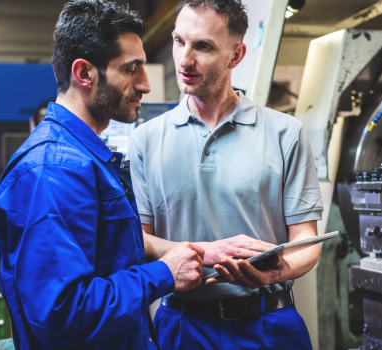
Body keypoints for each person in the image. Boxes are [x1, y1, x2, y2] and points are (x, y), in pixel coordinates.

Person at [0, 1, 205, 349]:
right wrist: (164, 273)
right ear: (84, 73)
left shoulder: (86, 158)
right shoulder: (55, 170)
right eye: (131, 69)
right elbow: (63, 314)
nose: (146, 84)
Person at [127, 0, 324, 348]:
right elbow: (139, 241)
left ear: (235, 56)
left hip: (268, 322)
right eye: (178, 41)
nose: (185, 60)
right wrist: (206, 252)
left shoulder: (285, 133)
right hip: (182, 324)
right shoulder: (145, 140)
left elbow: (306, 241)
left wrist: (276, 271)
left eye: (203, 46)